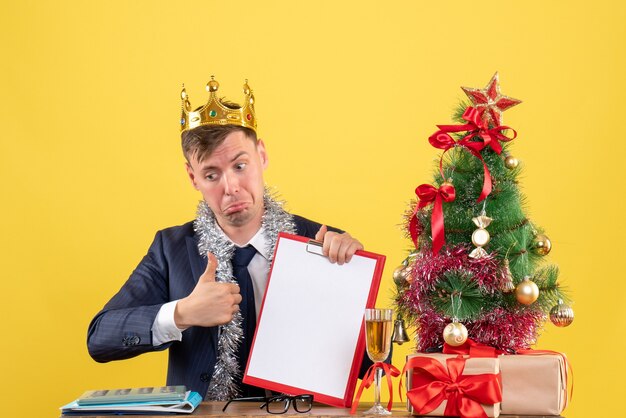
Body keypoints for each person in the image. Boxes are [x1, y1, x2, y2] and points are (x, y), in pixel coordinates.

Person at [87, 77, 365, 401]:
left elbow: (375, 362)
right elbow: (100, 337)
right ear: (193, 177)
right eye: (211, 174)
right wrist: (183, 313)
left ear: (261, 155)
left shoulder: (316, 243)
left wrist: (349, 281)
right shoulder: (171, 249)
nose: (230, 186)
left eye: (240, 165)